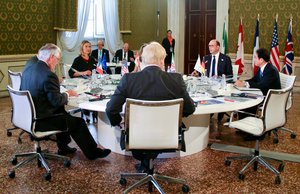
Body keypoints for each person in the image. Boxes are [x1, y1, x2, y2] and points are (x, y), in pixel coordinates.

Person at [106, 42, 195, 172]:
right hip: (167, 135)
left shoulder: (128, 79)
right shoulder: (176, 79)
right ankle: (146, 163)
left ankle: (144, 163)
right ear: (162, 60)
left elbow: (111, 109)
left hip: (136, 135)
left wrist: (118, 123)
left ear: (142, 59)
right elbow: (190, 109)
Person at [20, 43, 111, 160]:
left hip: (28, 116)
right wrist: (68, 94)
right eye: (57, 59)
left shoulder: (29, 68)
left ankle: (63, 146)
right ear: (51, 58)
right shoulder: (48, 75)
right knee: (78, 122)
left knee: (62, 113)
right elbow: (56, 101)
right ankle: (93, 153)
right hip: (41, 120)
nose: (57, 62)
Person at [234, 48, 281, 140]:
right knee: (244, 97)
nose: (254, 59)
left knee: (249, 102)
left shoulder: (270, 70)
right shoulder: (262, 68)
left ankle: (255, 132)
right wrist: (243, 82)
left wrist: (245, 84)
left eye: (255, 57)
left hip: (271, 98)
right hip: (264, 93)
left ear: (261, 60)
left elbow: (262, 86)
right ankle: (245, 127)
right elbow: (254, 80)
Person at [192, 39, 233, 122]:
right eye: (209, 46)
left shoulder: (225, 59)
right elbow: (202, 73)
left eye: (212, 46)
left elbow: (230, 75)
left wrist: (220, 77)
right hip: (207, 85)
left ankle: (219, 113)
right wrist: (197, 74)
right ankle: (208, 114)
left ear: (218, 47)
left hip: (219, 86)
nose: (209, 48)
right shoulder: (206, 58)